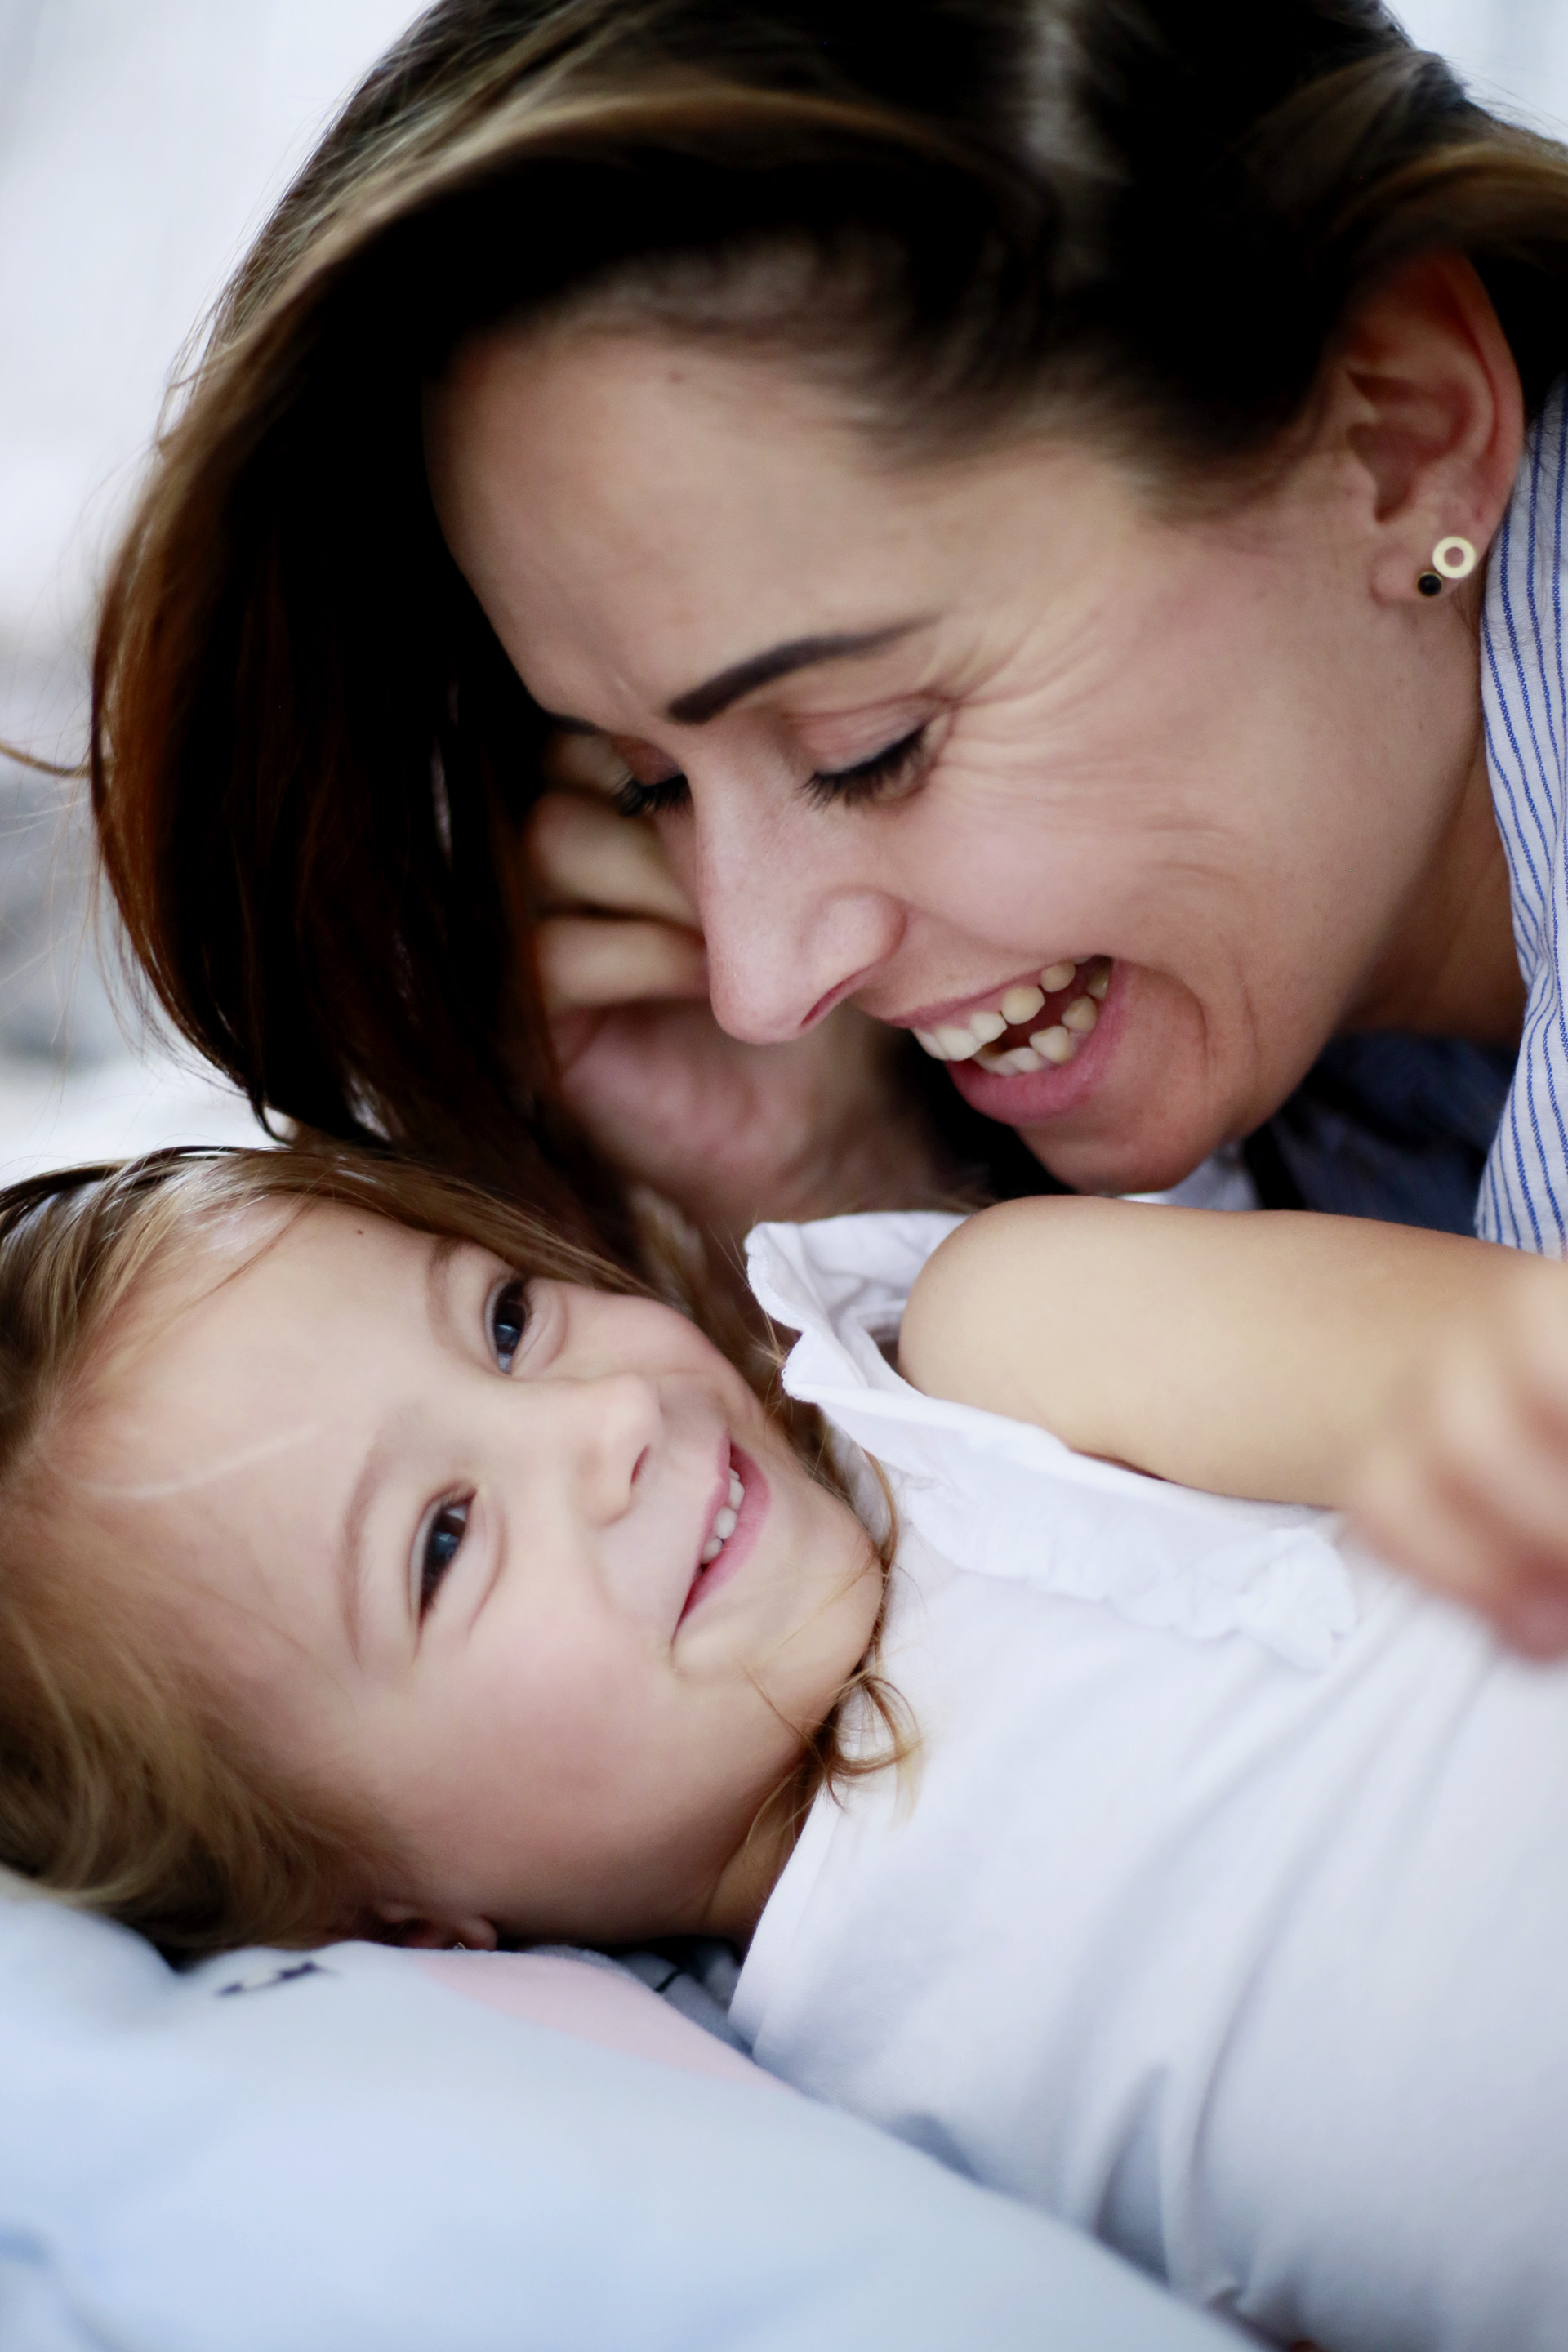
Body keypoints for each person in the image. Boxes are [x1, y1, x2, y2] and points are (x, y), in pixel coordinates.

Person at [87, 0, 1568, 1620]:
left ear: (1398, 437)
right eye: (654, 782)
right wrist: (840, 1177)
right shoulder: (1331, 1018)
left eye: (872, 750)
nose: (760, 978)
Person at [0, 1138, 1564, 2351]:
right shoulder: (784, 2147)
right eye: (445, 1542)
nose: (604, 1424)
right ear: (384, 1916)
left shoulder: (990, 1376)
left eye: (507, 1319)